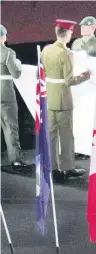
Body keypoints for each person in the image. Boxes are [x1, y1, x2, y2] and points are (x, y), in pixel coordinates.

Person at [41, 19, 91, 178]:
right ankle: (68, 167)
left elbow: (42, 73)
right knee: (66, 135)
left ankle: (53, 168)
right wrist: (85, 76)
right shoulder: (67, 54)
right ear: (68, 34)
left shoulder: (46, 50)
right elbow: (69, 80)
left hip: (50, 97)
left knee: (51, 135)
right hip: (63, 100)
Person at [71, 16, 96, 160]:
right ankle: (78, 147)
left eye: (85, 27)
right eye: (81, 27)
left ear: (93, 27)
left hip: (90, 85)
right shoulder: (76, 43)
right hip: (78, 84)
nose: (82, 29)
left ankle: (88, 148)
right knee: (78, 117)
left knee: (88, 117)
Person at [0, 24, 32, 171]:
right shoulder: (8, 53)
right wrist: (18, 64)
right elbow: (16, 74)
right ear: (3, 37)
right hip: (5, 93)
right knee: (10, 127)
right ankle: (15, 160)